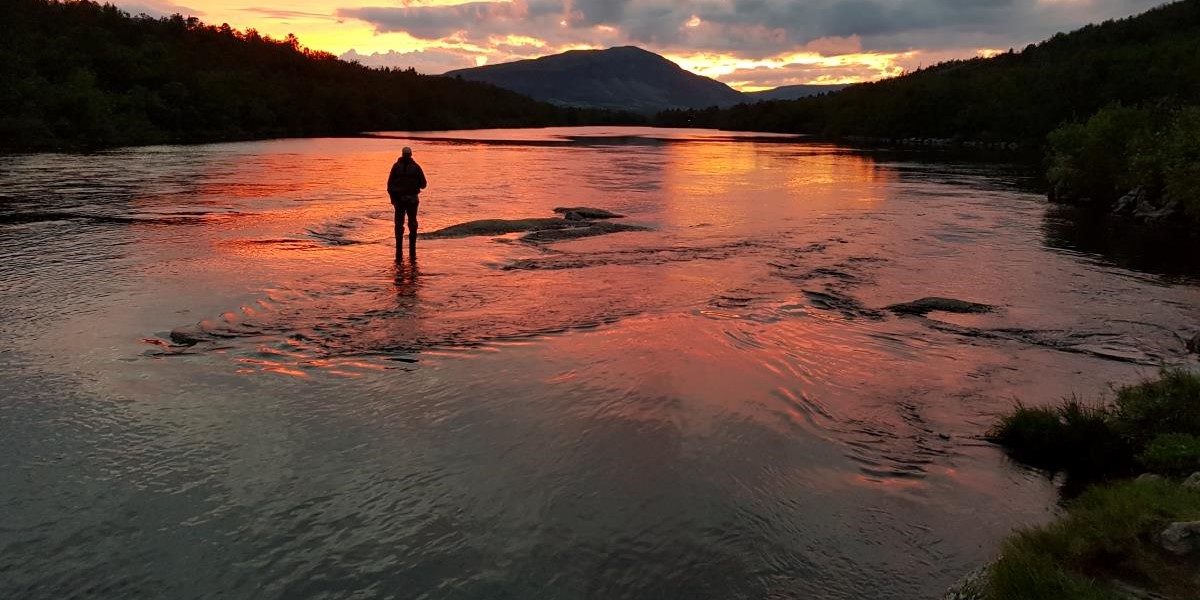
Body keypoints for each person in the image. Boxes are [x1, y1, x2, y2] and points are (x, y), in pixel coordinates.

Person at [386, 146, 427, 259]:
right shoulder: (416, 167)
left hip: (399, 200)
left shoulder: (395, 167)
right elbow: (424, 184)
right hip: (412, 200)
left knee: (399, 223)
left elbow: (389, 185)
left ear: (402, 154)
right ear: (411, 154)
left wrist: (393, 199)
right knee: (412, 222)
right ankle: (412, 247)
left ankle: (399, 248)